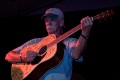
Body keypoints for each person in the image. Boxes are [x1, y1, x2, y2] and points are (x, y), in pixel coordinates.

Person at [5, 8, 93, 80]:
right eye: (46, 19)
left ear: (61, 22)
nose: (48, 21)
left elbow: (76, 54)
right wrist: (22, 57)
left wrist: (85, 33)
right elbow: (8, 55)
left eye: (53, 18)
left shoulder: (68, 41)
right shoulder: (35, 42)